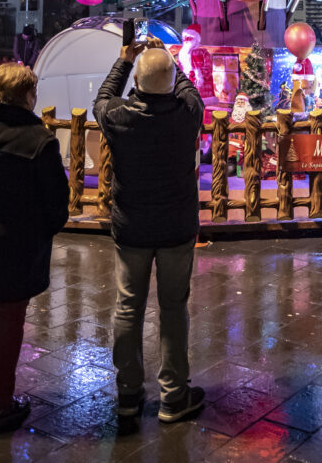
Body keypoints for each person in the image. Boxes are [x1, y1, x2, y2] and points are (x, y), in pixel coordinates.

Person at [93, 36, 205, 429]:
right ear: (172, 82)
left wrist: (125, 62)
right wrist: (171, 58)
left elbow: (102, 98)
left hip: (132, 227)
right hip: (176, 227)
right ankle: (174, 396)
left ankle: (128, 392)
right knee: (174, 308)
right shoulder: (187, 115)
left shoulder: (119, 117)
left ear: (136, 86)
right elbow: (190, 89)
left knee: (128, 306)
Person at [0, 63, 69, 435]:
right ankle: (0, 404)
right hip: (17, 244)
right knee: (8, 322)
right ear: (27, 95)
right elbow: (56, 201)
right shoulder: (38, 139)